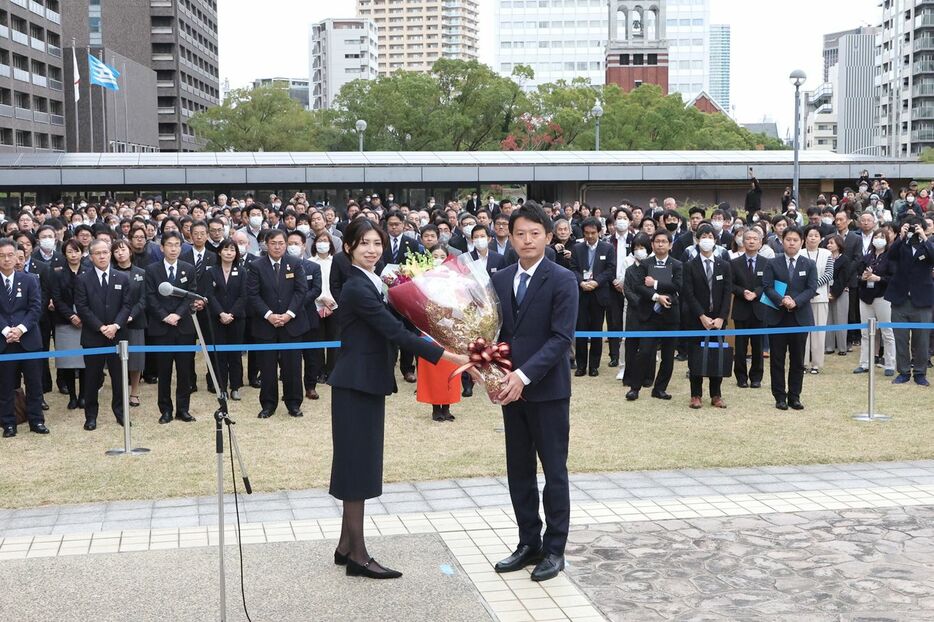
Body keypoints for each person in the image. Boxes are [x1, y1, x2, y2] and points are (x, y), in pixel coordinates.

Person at [328, 218, 467, 579]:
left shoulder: (376, 283)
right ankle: (358, 556)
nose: (372, 249)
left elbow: (404, 323)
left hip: (366, 383)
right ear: (349, 248)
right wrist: (448, 355)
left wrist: (443, 321)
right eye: (363, 244)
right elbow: (394, 332)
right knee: (356, 467)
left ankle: (345, 545)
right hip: (355, 385)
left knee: (359, 463)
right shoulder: (357, 288)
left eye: (376, 243)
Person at [488, 202, 578, 583]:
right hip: (511, 393)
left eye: (534, 233)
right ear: (509, 237)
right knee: (519, 471)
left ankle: (554, 549)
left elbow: (561, 339)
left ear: (547, 236)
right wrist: (489, 371)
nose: (527, 240)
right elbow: (493, 334)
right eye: (520, 233)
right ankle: (529, 541)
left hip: (547, 391)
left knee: (554, 472)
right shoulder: (499, 278)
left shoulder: (562, 279)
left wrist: (522, 376)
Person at [247, 229, 309, 418]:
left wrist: (289, 314)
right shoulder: (256, 266)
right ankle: (268, 404)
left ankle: (293, 403)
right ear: (266, 244)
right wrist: (269, 315)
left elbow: (301, 291)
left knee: (293, 366)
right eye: (273, 243)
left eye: (281, 243)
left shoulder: (296, 263)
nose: (277, 246)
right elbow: (253, 294)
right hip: (266, 325)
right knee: (267, 367)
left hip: (292, 324)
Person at [74, 239, 131, 431]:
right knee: (91, 378)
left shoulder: (122, 278)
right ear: (91, 257)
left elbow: (127, 305)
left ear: (110, 254)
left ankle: (121, 412)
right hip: (93, 336)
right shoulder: (82, 279)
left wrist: (115, 325)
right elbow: (82, 307)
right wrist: (101, 327)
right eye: (97, 253)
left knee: (119, 378)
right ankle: (91, 416)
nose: (102, 256)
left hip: (117, 335)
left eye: (105, 252)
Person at [145, 231, 198, 424]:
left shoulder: (188, 268)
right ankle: (165, 410)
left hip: (184, 326)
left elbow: (191, 294)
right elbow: (149, 297)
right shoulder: (152, 270)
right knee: (164, 371)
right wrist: (164, 316)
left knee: (185, 371)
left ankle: (183, 409)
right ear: (162, 247)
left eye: (177, 244)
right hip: (161, 327)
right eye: (170, 245)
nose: (173, 248)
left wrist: (178, 314)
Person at [762, 227, 818, 411]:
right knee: (777, 359)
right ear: (782, 241)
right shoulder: (772, 263)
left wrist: (796, 301)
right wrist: (782, 300)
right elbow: (767, 287)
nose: (791, 243)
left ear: (801, 242)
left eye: (795, 240)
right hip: (777, 317)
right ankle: (779, 396)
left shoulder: (808, 264)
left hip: (799, 317)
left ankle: (795, 396)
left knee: (797, 359)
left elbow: (811, 289)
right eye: (788, 239)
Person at [627, 230, 683, 401]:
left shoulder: (677, 264)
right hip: (649, 315)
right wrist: (656, 296)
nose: (660, 244)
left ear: (670, 245)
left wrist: (656, 283)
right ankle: (634, 388)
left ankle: (659, 389)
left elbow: (678, 286)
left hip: (670, 315)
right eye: (657, 241)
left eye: (664, 241)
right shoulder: (645, 264)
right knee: (644, 352)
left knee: (668, 355)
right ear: (652, 244)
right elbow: (638, 286)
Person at [0, 238, 48, 437]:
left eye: (10, 255)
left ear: (18, 256)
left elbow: (36, 308)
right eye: (2, 256)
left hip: (29, 341)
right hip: (4, 342)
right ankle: (8, 423)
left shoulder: (29, 280)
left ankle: (36, 420)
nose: (6, 259)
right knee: (5, 386)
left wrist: (20, 329)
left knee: (34, 384)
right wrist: (5, 331)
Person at [683, 225, 733, 409]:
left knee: (716, 355)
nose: (707, 239)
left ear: (715, 240)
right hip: (697, 319)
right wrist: (701, 315)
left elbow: (727, 294)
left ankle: (716, 395)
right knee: (696, 356)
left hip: (718, 321)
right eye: (703, 236)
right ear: (697, 240)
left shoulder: (724, 265)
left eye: (710, 236)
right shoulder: (689, 265)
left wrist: (721, 317)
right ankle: (695, 394)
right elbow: (688, 293)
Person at [885, 218, 934, 386]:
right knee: (900, 338)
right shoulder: (901, 245)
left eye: (917, 227)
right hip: (900, 299)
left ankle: (920, 373)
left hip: (922, 300)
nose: (914, 230)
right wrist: (900, 236)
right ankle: (903, 372)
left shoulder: (928, 245)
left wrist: (924, 237)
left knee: (922, 339)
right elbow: (889, 257)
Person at [418, 245, 462, 422]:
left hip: (451, 330)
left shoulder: (455, 278)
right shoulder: (422, 278)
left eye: (441, 255)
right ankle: (436, 408)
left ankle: (447, 406)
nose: (438, 258)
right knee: (433, 369)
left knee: (451, 368)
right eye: (435, 255)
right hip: (429, 330)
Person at [569, 217, 615, 377]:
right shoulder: (577, 248)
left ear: (599, 232)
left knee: (596, 331)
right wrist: (581, 282)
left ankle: (594, 365)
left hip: (599, 294)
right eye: (587, 233)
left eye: (593, 233)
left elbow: (610, 270)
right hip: (581, 294)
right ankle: (581, 365)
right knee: (580, 331)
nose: (590, 236)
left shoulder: (607, 248)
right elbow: (573, 268)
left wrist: (596, 282)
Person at [206, 239, 248, 400]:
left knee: (235, 354)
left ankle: (235, 386)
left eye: (232, 250)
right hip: (217, 319)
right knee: (220, 355)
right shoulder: (211, 271)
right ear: (219, 252)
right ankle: (221, 387)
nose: (229, 252)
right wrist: (221, 313)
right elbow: (209, 294)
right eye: (226, 249)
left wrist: (231, 314)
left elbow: (244, 296)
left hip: (236, 319)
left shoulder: (242, 271)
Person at [287, 230, 323, 402]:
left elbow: (316, 289)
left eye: (296, 243)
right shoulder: (283, 267)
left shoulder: (313, 267)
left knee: (311, 355)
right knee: (289, 357)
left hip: (308, 316)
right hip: (287, 317)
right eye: (290, 243)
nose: (293, 247)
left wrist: (297, 303)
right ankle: (291, 389)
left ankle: (310, 386)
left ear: (303, 246)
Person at [853, 229, 896, 375]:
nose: (878, 239)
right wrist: (863, 277)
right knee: (865, 332)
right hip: (865, 297)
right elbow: (857, 276)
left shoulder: (891, 258)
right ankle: (864, 363)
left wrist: (878, 278)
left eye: (882, 237)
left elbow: (893, 279)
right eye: (876, 236)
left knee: (886, 331)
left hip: (883, 297)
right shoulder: (866, 257)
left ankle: (890, 364)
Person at [51, 239, 88, 410]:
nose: (73, 255)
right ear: (64, 254)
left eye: (76, 251)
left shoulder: (88, 271)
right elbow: (57, 299)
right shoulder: (58, 273)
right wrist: (71, 316)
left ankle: (83, 396)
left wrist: (82, 316)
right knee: (67, 362)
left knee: (85, 362)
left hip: (86, 321)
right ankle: (72, 396)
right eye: (70, 252)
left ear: (82, 252)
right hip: (65, 321)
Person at [111, 239, 147, 407]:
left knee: (136, 359)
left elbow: (144, 298)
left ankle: (134, 392)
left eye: (123, 249)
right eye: (116, 251)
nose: (120, 253)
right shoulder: (110, 272)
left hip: (136, 320)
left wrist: (132, 314)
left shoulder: (141, 272)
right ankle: (119, 391)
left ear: (130, 251)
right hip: (115, 322)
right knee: (117, 359)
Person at [730, 228, 767, 388]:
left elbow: (768, 284)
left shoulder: (766, 262)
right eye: (748, 239)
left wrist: (756, 293)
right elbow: (730, 284)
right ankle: (741, 377)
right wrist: (742, 292)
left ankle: (756, 377)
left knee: (758, 346)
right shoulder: (734, 263)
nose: (751, 241)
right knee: (740, 346)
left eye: (755, 239)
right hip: (741, 308)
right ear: (742, 242)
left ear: (760, 242)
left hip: (759, 309)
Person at [621, 234, 654, 387]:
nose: (639, 251)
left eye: (642, 248)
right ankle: (629, 376)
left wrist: (649, 300)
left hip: (651, 313)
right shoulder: (629, 270)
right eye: (636, 248)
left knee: (648, 347)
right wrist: (639, 301)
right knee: (631, 346)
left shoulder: (653, 268)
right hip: (634, 312)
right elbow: (626, 289)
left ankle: (647, 377)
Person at [802, 225, 834, 374]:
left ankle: (816, 364)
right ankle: (802, 363)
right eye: (810, 235)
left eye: (816, 235)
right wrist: (807, 291)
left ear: (820, 238)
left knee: (819, 332)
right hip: (802, 299)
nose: (813, 238)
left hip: (820, 297)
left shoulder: (827, 253)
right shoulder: (800, 253)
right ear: (805, 238)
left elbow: (828, 274)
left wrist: (813, 287)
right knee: (803, 333)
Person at [310, 231, 339, 391]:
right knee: (318, 341)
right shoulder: (309, 262)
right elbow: (310, 286)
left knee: (334, 340)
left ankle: (332, 371)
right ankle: (319, 371)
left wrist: (331, 303)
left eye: (325, 240)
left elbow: (338, 283)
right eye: (319, 240)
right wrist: (322, 299)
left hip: (335, 305)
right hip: (316, 305)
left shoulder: (337, 261)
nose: (322, 243)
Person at [608, 208, 633, 370]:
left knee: (628, 321)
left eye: (625, 218)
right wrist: (614, 281)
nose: (622, 220)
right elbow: (605, 265)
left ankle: (628, 354)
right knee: (612, 321)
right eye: (619, 218)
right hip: (612, 285)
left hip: (630, 286)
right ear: (614, 221)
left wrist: (625, 282)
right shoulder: (608, 241)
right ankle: (614, 355)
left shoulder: (635, 240)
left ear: (630, 221)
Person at [825, 235, 852, 357]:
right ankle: (829, 346)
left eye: (832, 243)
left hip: (840, 292)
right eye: (828, 243)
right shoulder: (826, 258)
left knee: (840, 319)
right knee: (828, 320)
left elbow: (843, 278)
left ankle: (842, 347)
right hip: (826, 292)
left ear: (838, 245)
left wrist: (834, 293)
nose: (829, 245)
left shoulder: (844, 259)